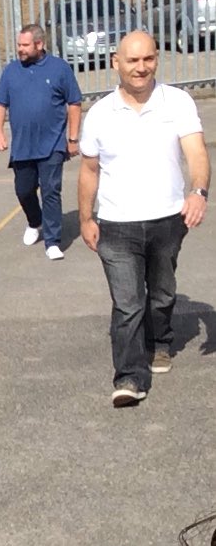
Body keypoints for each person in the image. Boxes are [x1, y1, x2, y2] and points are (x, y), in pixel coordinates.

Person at [78, 30, 210, 408]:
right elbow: (89, 170)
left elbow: (197, 153)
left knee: (163, 292)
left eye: (148, 59)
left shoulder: (177, 102)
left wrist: (198, 192)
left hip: (169, 219)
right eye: (132, 61)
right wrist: (86, 218)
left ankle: (160, 341)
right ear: (115, 63)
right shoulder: (101, 113)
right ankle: (130, 378)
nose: (141, 68)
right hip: (117, 225)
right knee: (128, 303)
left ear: (156, 59)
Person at [0, 23, 82, 260]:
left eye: (24, 45)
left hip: (52, 143)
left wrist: (72, 138)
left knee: (51, 190)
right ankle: (35, 221)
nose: (20, 49)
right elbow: (0, 104)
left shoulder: (59, 69)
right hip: (23, 146)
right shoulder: (11, 71)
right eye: (18, 44)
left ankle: (52, 241)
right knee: (23, 190)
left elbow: (74, 103)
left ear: (39, 44)